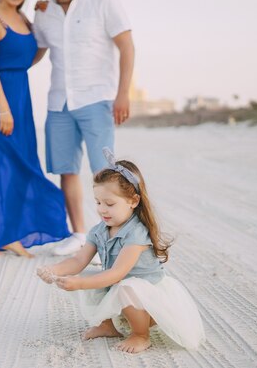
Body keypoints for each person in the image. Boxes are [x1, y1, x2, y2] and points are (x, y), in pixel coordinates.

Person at [37, 148, 206, 353]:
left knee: (123, 286)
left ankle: (141, 334)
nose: (102, 209)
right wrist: (54, 270)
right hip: (119, 288)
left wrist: (80, 284)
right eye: (98, 202)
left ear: (133, 201)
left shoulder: (136, 233)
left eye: (110, 203)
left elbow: (117, 274)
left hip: (147, 299)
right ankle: (107, 326)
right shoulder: (99, 231)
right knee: (88, 275)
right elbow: (78, 260)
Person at [33, 0, 135, 256]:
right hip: (59, 101)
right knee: (66, 170)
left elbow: (127, 46)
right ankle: (78, 234)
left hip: (96, 97)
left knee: (105, 171)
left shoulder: (103, 1)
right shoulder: (44, 12)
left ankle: (117, 235)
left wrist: (123, 93)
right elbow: (36, 51)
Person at [0, 0, 71, 258]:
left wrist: (43, 17)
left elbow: (30, 57)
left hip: (21, 103)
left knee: (20, 169)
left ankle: (10, 235)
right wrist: (3, 109)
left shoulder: (25, 20)